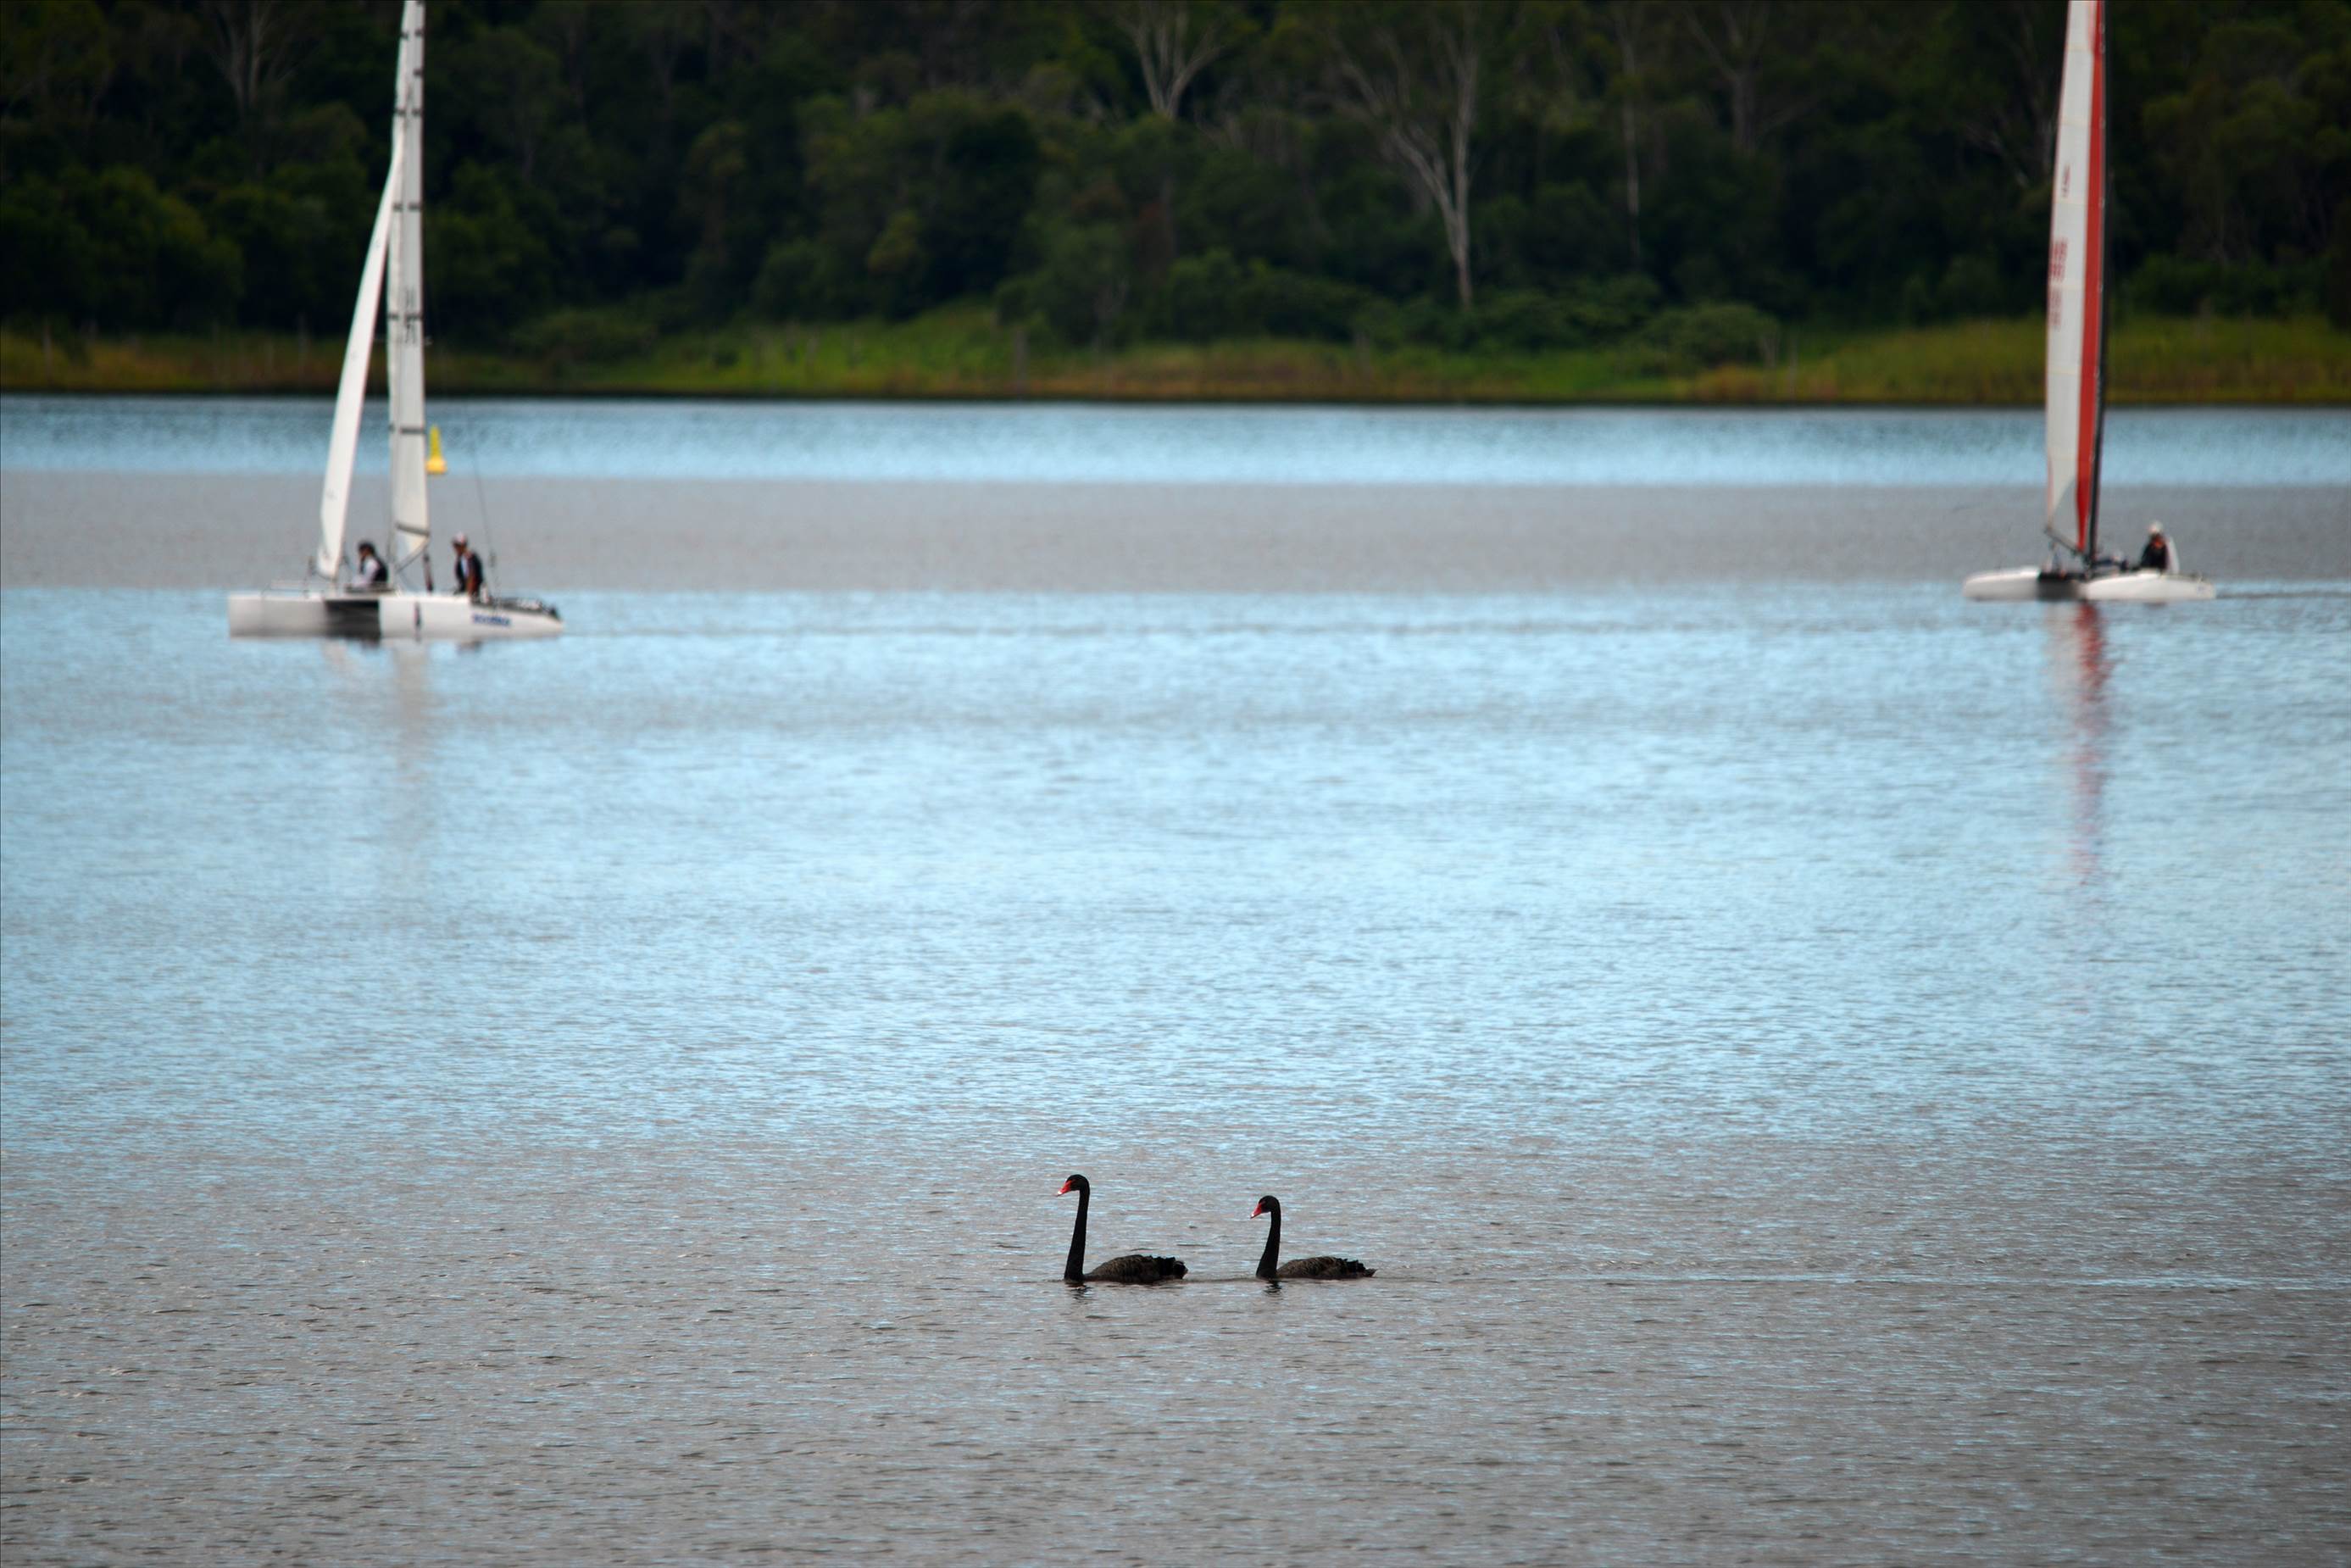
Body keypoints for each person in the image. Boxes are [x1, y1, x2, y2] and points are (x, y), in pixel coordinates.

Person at [450, 533, 485, 601]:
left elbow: (470, 576)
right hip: (477, 592)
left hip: (473, 594)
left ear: (463, 546)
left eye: (457, 545)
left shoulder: (465, 559)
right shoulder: (469, 556)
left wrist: (468, 596)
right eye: (455, 545)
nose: (455, 548)